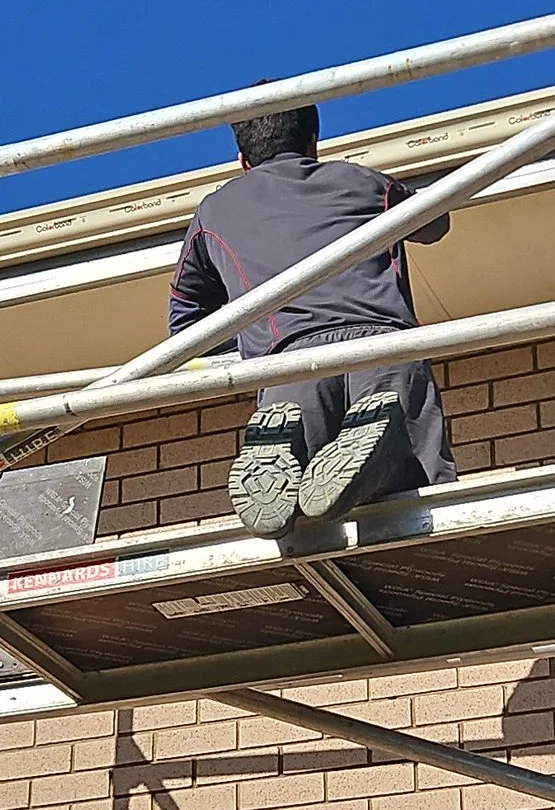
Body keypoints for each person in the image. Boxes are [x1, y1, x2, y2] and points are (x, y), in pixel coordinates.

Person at [167, 105, 455, 533]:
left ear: (242, 160)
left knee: (306, 524)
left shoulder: (216, 210)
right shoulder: (360, 181)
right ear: (313, 143)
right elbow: (436, 224)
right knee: (417, 502)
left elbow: (185, 323)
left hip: (286, 362)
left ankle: (291, 451)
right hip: (382, 349)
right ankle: (382, 455)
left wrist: (248, 338)